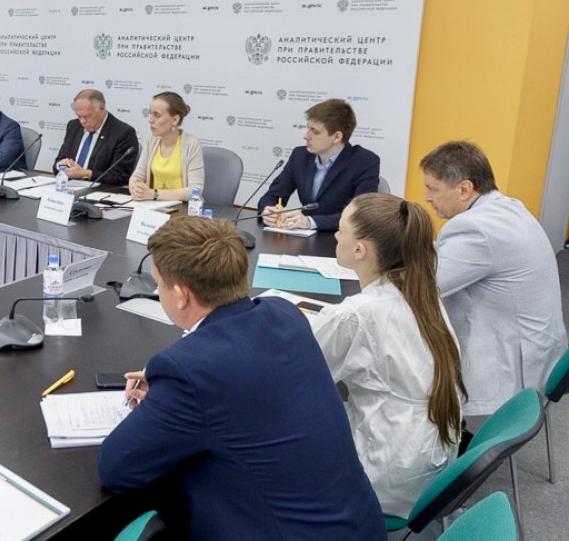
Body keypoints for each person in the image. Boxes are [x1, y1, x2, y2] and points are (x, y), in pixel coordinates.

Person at [98, 217, 385, 540]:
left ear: (180, 295)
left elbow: (116, 470)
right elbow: (244, 387)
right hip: (361, 527)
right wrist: (172, 399)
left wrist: (175, 396)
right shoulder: (283, 314)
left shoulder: (188, 370)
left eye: (158, 284)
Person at [310, 193, 466, 518]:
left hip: (387, 473)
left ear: (359, 250)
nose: (335, 235)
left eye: (341, 230)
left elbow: (298, 368)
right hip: (429, 457)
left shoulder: (360, 313)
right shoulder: (422, 291)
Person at [421, 141, 567, 416]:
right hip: (539, 352)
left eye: (433, 188)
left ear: (464, 189)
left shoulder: (475, 227)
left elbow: (424, 286)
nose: (427, 197)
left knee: (406, 364)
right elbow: (446, 256)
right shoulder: (506, 208)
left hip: (510, 367)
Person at [258, 98, 380, 231]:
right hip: (302, 236)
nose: (306, 136)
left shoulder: (365, 161)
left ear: (337, 137)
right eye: (308, 128)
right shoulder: (300, 156)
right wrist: (268, 211)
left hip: (339, 237)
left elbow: (360, 216)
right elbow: (272, 196)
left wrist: (311, 222)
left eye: (315, 131)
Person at [128, 91, 204, 202]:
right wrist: (136, 187)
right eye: (150, 113)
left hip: (182, 209)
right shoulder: (152, 140)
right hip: (151, 206)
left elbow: (195, 190)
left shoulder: (191, 144)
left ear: (175, 120)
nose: (150, 120)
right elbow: (137, 176)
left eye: (157, 115)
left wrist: (154, 194)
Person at [52, 89, 138, 185]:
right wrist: (60, 165)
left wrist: (85, 174)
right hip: (68, 187)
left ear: (102, 108)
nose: (82, 121)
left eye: (87, 116)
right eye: (79, 116)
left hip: (98, 190)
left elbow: (120, 177)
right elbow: (56, 166)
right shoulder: (73, 126)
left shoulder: (123, 133)